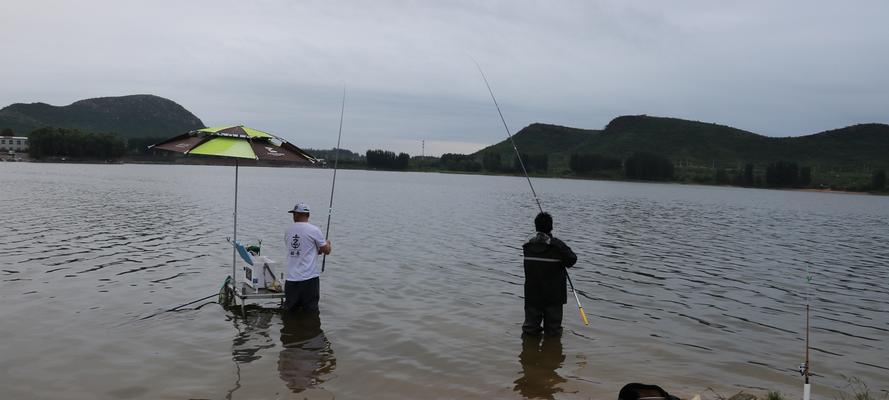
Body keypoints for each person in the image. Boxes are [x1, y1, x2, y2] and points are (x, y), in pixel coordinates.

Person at [522, 211, 577, 337]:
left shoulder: (527, 247)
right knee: (553, 333)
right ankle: (551, 353)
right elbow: (572, 259)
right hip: (554, 297)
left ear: (536, 227)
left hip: (532, 296)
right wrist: (554, 241)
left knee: (529, 331)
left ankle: (529, 354)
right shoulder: (557, 247)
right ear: (551, 227)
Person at [283, 202, 332, 313]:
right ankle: (311, 329)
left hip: (291, 280)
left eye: (295, 214)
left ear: (301, 214)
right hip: (309, 280)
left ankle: (290, 329)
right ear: (308, 215)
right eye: (294, 214)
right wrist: (328, 244)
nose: (294, 216)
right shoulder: (314, 230)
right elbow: (326, 251)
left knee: (290, 312)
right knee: (311, 312)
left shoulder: (288, 231)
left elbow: (300, 251)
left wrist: (317, 250)